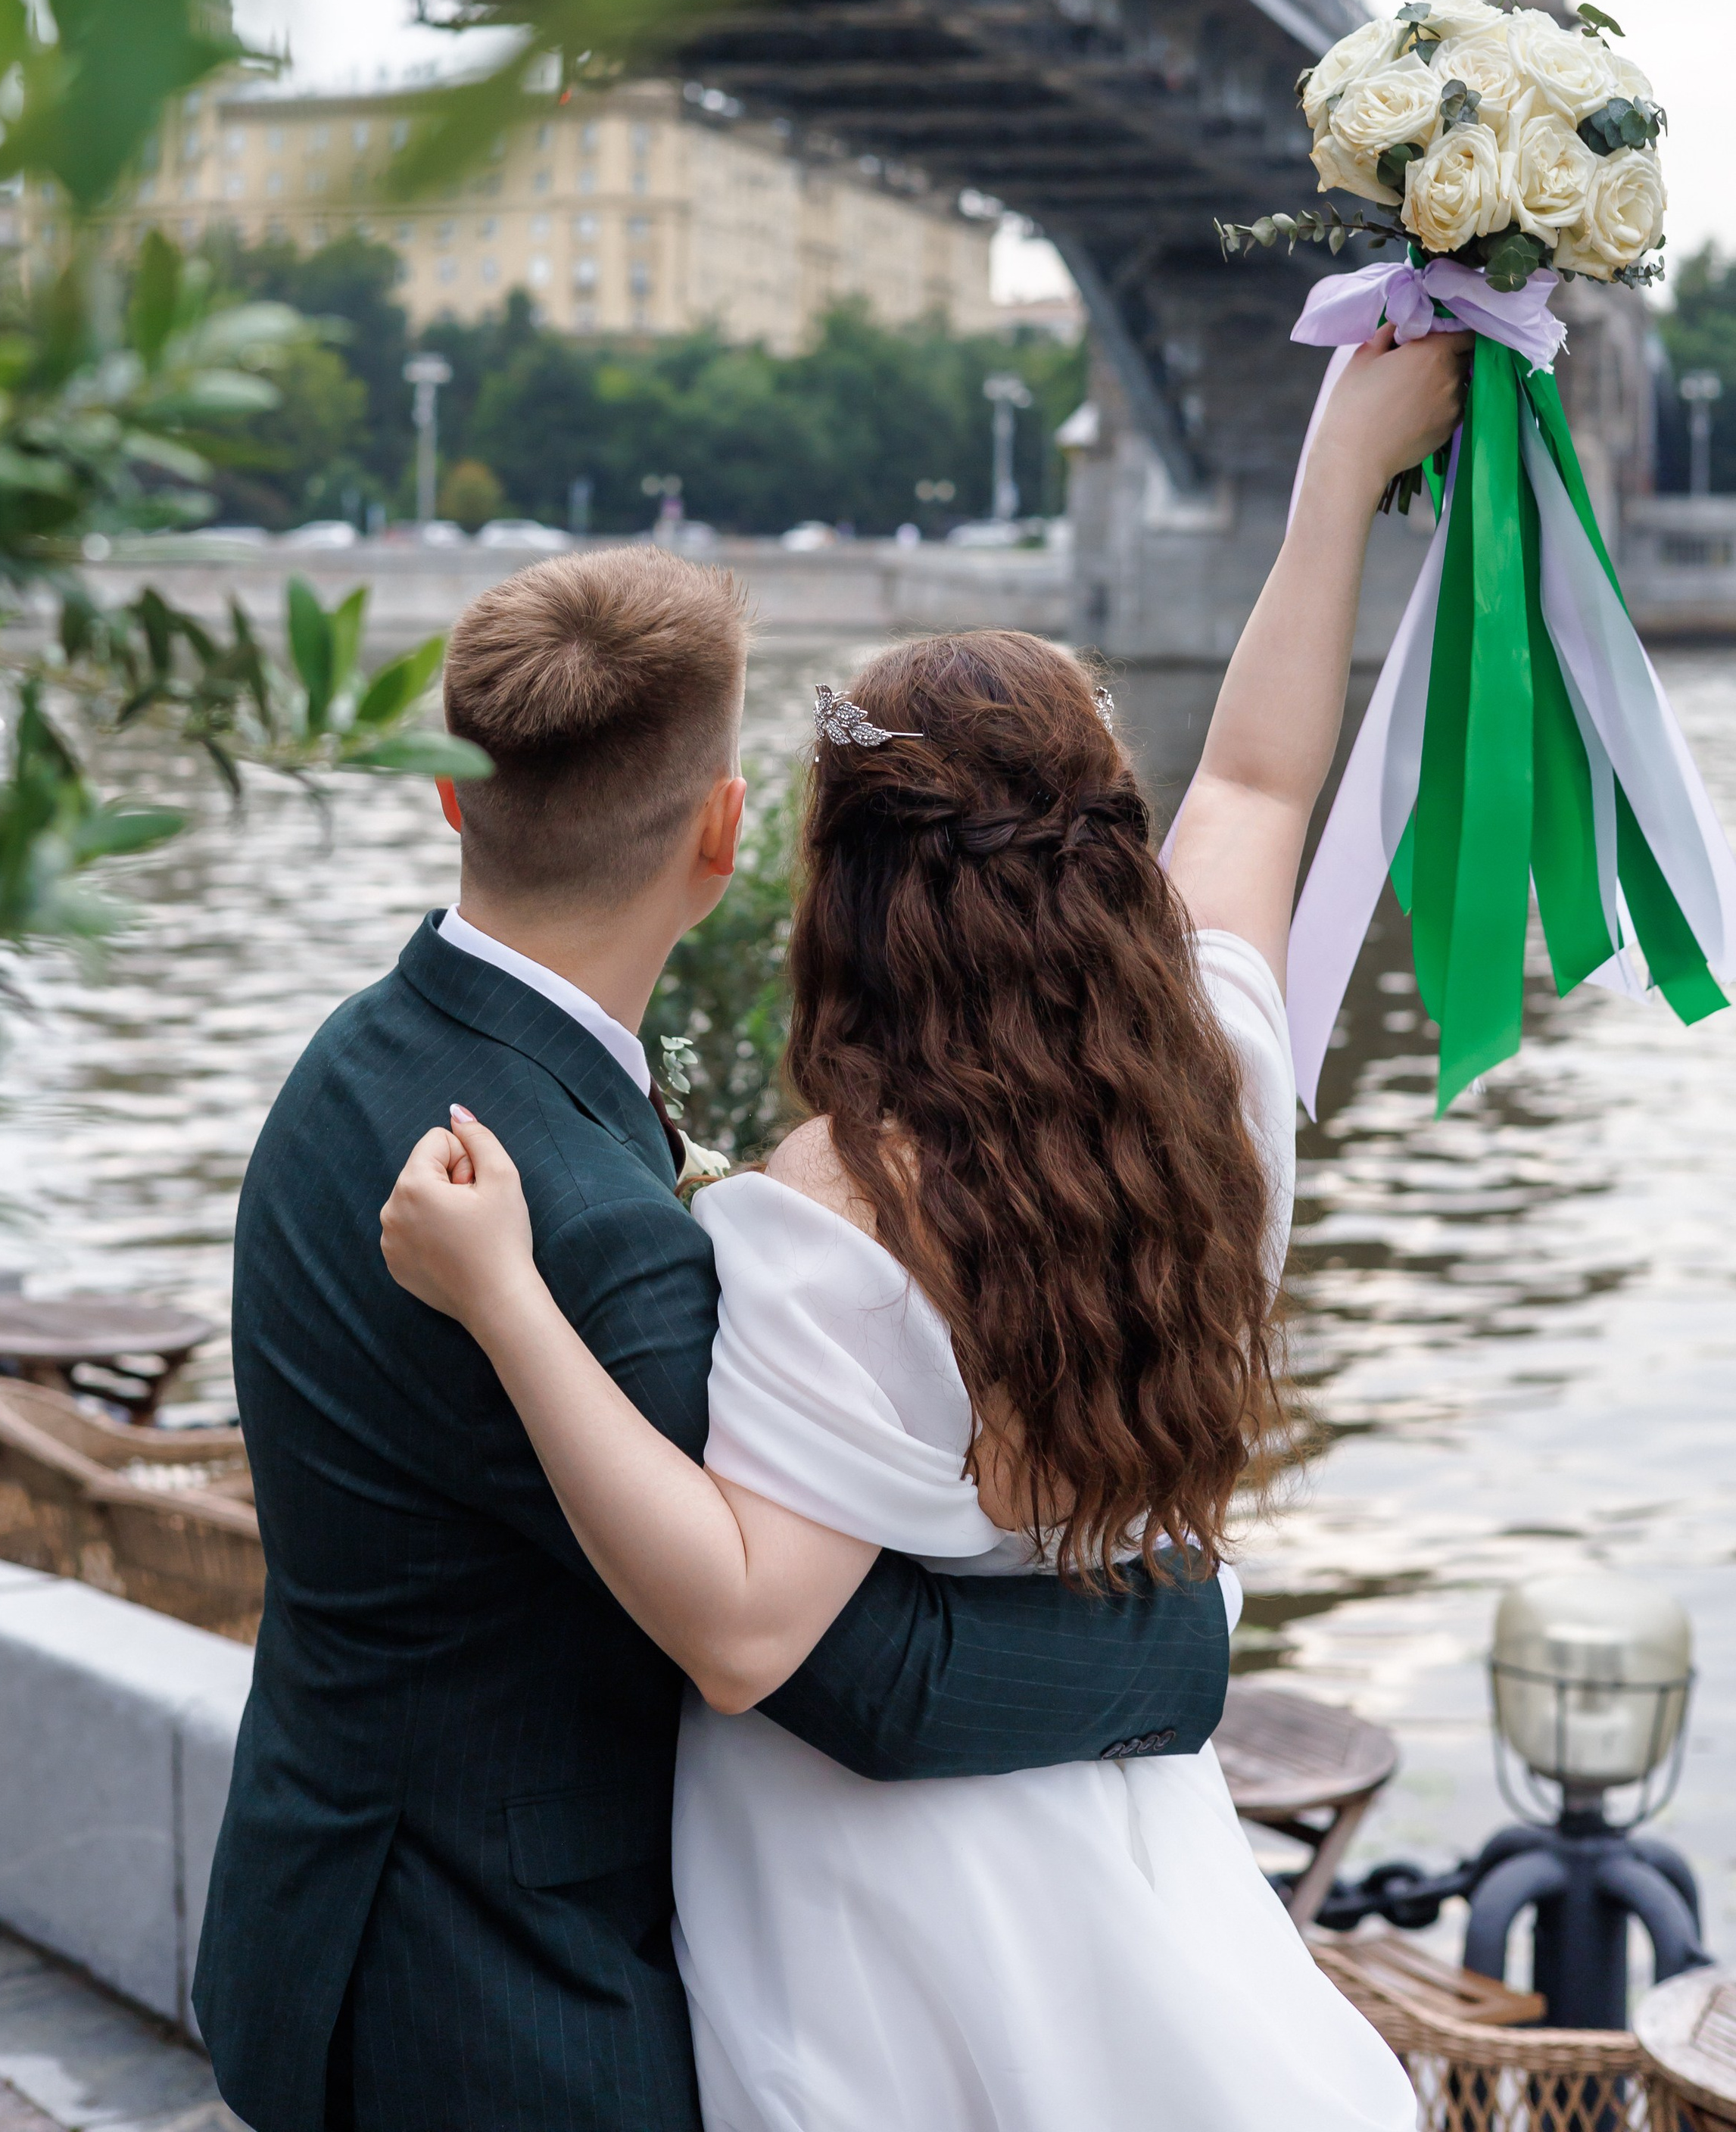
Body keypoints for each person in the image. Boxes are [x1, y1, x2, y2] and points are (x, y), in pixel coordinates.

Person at [378, 326, 1467, 2132]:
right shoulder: (1214, 1085)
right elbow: (1265, 784)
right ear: (1106, 852)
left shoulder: (836, 1211)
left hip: (871, 1915)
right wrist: (1340, 470)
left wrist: (504, 1304)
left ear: (844, 896)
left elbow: (742, 1627)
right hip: (1117, 1854)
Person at [193, 542, 1242, 2132]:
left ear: (450, 800)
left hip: (316, 1901)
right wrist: (1186, 1642)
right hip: (507, 1999)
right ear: (720, 831)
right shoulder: (593, 1233)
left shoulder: (356, 1056)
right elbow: (850, 1675)